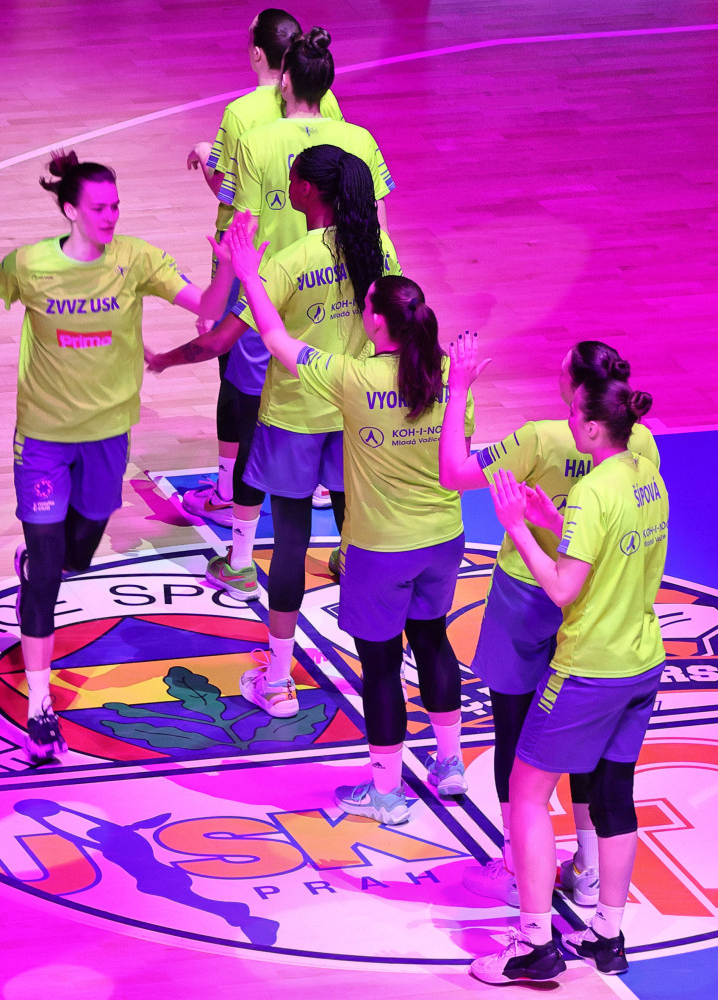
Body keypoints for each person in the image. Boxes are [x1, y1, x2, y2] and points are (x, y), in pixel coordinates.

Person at [0, 151, 233, 765]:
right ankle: (40, 707)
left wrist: (230, 268)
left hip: (108, 438)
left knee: (78, 553)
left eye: (116, 206)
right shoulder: (31, 265)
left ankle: (47, 561)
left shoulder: (137, 260)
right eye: (100, 208)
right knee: (47, 574)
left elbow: (208, 308)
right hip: (43, 440)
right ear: (70, 211)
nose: (111, 216)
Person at [226, 210, 475, 823]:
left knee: (382, 665)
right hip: (444, 539)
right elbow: (458, 457)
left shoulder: (355, 379)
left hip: (381, 549)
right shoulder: (450, 380)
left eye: (365, 306)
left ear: (378, 323)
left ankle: (386, 793)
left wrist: (249, 275)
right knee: (433, 641)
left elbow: (276, 341)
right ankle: (451, 764)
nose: (360, 312)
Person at [148, 147, 398, 687]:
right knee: (359, 543)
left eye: (292, 177)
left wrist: (164, 359)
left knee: (291, 545)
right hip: (357, 414)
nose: (287, 183)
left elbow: (219, 342)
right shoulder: (380, 249)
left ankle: (279, 681)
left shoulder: (288, 262)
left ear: (306, 190)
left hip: (293, 420)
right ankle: (385, 674)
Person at [439, 334, 660, 910]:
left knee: (513, 733)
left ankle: (518, 868)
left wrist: (458, 390)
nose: (555, 374)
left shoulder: (538, 437)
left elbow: (453, 472)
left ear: (578, 394)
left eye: (562, 370)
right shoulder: (639, 442)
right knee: (591, 742)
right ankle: (587, 869)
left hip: (530, 593)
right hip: (600, 606)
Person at [470, 379, 668, 984]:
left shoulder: (591, 490)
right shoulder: (647, 475)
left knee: (527, 790)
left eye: (574, 412)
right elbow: (607, 553)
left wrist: (516, 527)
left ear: (590, 427)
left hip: (589, 669)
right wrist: (552, 520)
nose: (568, 417)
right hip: (642, 661)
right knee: (612, 793)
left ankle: (534, 943)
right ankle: (607, 933)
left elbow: (561, 588)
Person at [182, 8, 344, 524]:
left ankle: (230, 493)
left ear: (257, 53)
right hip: (321, 260)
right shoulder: (327, 103)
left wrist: (205, 154)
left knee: (238, 382)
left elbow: (230, 198)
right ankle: (322, 480)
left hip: (257, 268)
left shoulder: (240, 115)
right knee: (314, 362)